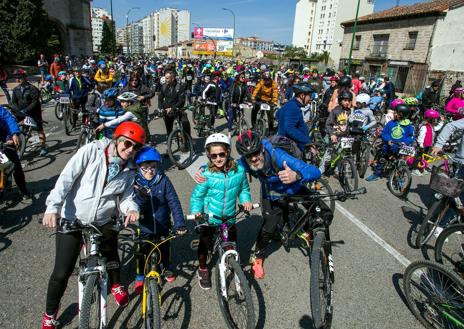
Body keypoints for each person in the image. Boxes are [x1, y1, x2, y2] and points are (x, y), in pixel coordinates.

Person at [41, 122, 145, 329]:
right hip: (73, 217)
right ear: (116, 140)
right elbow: (66, 179)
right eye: (127, 143)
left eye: (136, 147)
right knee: (61, 272)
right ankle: (49, 314)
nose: (130, 150)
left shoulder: (131, 167)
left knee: (111, 251)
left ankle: (115, 284)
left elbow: (125, 197)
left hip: (102, 219)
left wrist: (131, 208)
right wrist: (52, 207)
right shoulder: (92, 151)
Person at [190, 133, 252, 288]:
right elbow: (197, 197)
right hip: (209, 216)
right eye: (213, 156)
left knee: (232, 243)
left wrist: (246, 200)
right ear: (209, 156)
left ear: (228, 152)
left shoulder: (238, 171)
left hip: (229, 216)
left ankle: (233, 266)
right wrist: (197, 211)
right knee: (205, 244)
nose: (218, 159)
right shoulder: (206, 174)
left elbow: (244, 188)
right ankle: (203, 268)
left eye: (221, 154)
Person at [133, 146, 187, 291]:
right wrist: (141, 197)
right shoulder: (135, 184)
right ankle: (139, 274)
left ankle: (166, 265)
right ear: (138, 167)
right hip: (145, 226)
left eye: (153, 167)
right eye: (145, 167)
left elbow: (174, 202)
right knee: (142, 251)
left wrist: (180, 223)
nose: (149, 171)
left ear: (158, 166)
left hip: (163, 224)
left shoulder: (164, 180)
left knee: (164, 247)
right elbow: (134, 206)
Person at [366, 104, 414, 181]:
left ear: (401, 114)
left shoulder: (408, 126)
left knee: (400, 162)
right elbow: (385, 133)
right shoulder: (391, 123)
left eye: (395, 113)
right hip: (388, 146)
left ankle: (398, 175)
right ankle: (376, 174)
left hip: (400, 148)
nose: (393, 114)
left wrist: (405, 142)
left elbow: (411, 137)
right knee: (382, 159)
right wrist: (388, 140)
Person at [10, 69, 48, 156]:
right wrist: (17, 110)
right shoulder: (16, 89)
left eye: (19, 77)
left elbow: (35, 102)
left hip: (33, 112)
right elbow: (13, 102)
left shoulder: (32, 89)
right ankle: (19, 142)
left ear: (25, 78)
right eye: (16, 78)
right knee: (14, 126)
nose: (18, 79)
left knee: (39, 129)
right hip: (20, 113)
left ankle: (43, 146)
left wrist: (26, 110)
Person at [0, 106, 32, 199]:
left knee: (15, 166)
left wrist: (14, 133)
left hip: (4, 139)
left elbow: (8, 118)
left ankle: (23, 190)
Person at [276, 82, 313, 151]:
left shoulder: (289, 104)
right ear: (302, 96)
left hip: (284, 143)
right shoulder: (294, 108)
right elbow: (289, 128)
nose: (311, 99)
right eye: (310, 96)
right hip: (291, 147)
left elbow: (278, 114)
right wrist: (307, 142)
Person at [412, 109, 444, 176]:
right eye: (434, 120)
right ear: (430, 119)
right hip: (422, 146)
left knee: (425, 158)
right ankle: (415, 169)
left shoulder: (431, 127)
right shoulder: (424, 126)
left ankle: (422, 168)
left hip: (428, 145)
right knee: (419, 157)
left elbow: (437, 128)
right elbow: (421, 136)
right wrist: (420, 144)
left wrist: (442, 122)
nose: (435, 121)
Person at [158, 70, 190, 137]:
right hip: (167, 111)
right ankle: (169, 140)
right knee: (169, 128)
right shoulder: (164, 87)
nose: (165, 80)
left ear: (172, 78)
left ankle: (188, 138)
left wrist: (172, 108)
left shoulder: (180, 87)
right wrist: (160, 108)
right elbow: (160, 99)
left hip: (178, 109)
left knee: (185, 122)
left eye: (167, 78)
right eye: (165, 78)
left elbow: (181, 101)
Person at [227, 71, 251, 138]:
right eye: (242, 77)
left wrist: (250, 102)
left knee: (242, 116)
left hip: (240, 103)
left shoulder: (244, 85)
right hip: (233, 102)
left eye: (244, 77)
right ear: (238, 77)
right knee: (231, 117)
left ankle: (241, 129)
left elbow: (248, 94)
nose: (243, 78)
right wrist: (232, 103)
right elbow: (231, 94)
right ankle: (229, 131)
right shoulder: (234, 84)